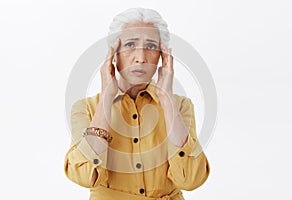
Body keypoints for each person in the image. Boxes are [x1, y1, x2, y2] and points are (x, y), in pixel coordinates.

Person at [64, 7, 210, 200]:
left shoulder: (181, 106)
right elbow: (83, 176)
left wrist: (167, 99)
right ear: (113, 54)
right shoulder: (85, 108)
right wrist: (107, 99)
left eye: (151, 46)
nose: (141, 57)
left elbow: (191, 179)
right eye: (130, 44)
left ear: (162, 56)